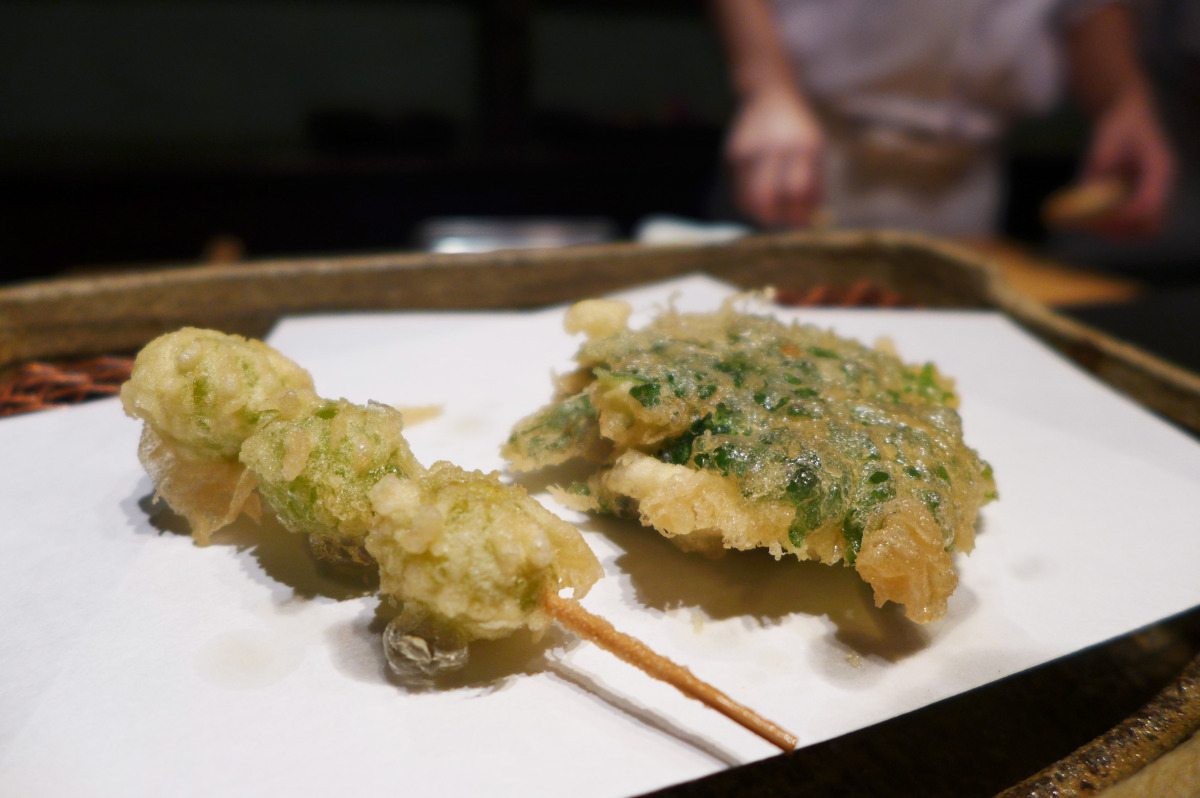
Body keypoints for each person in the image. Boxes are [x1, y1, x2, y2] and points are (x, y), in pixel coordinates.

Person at [711, 0, 1175, 238]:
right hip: (812, 152)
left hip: (967, 176)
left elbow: (1086, 7)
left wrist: (1125, 101)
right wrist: (768, 86)